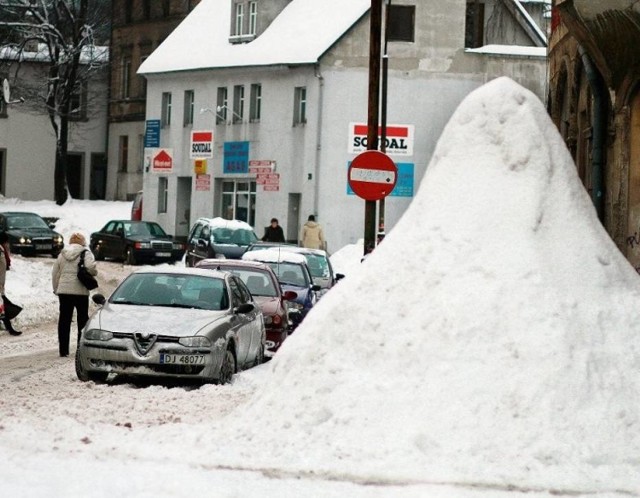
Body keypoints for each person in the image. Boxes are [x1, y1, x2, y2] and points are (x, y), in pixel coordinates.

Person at [52, 232, 98, 357]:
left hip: (64, 291)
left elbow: (55, 273)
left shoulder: (62, 254)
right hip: (80, 292)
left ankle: (63, 350)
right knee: (82, 319)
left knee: (64, 320)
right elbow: (91, 268)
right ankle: (80, 348)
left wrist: (56, 288)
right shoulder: (85, 253)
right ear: (82, 242)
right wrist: (93, 271)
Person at [0, 232, 21, 335]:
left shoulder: (1, 249)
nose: (7, 244)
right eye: (6, 241)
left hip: (1, 285)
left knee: (3, 307)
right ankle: (9, 328)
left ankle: (8, 327)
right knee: (3, 306)